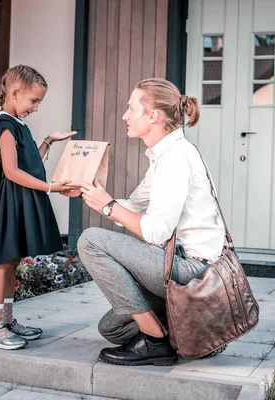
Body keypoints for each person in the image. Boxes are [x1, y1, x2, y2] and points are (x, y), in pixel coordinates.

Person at [77, 78, 225, 366]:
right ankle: (192, 330)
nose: (125, 116)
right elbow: (131, 206)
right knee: (112, 328)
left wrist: (107, 207)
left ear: (153, 115)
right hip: (177, 267)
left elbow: (156, 233)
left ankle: (156, 342)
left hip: (194, 273)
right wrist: (90, 191)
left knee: (91, 241)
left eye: (132, 108)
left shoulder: (175, 158)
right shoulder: (163, 156)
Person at [0, 65, 76, 350]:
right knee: (2, 261)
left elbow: (29, 165)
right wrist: (50, 188)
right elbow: (11, 171)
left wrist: (47, 141)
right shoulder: (5, 125)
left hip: (23, 199)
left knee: (13, 260)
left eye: (39, 102)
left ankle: (6, 320)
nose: (35, 107)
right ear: (15, 92)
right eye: (33, 101)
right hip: (14, 202)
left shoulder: (18, 124)